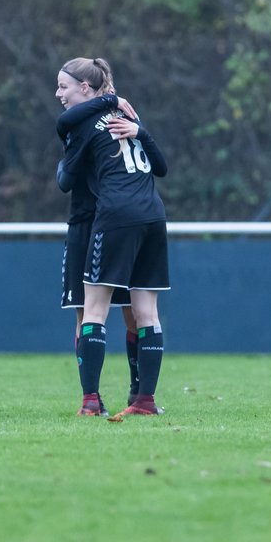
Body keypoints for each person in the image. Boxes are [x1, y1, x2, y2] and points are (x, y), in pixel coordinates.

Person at [55, 57, 170, 417]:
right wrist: (123, 111)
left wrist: (106, 101)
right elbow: (162, 167)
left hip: (113, 217)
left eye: (63, 86)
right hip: (153, 213)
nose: (58, 93)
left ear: (85, 88)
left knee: (93, 311)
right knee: (145, 312)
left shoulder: (84, 121)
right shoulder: (129, 118)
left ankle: (90, 401)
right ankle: (145, 400)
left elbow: (65, 179)